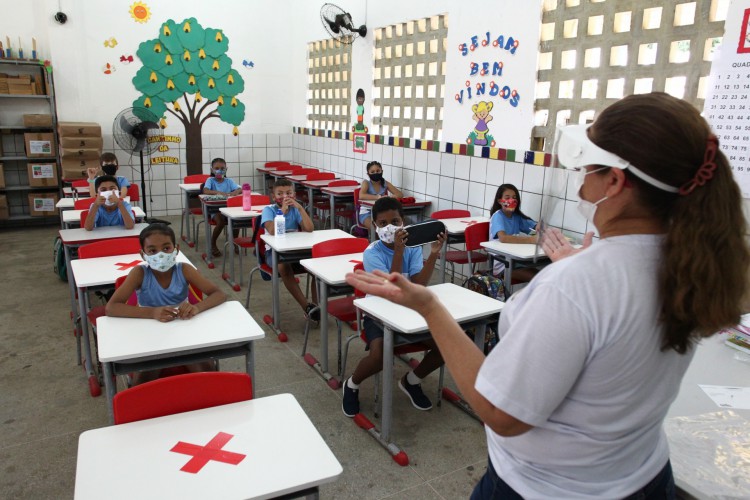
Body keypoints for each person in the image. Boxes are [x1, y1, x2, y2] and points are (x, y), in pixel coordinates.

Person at [346, 93, 750, 498]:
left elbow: (501, 413)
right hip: (642, 475)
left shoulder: (577, 284)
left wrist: (429, 306)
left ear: (615, 181)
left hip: (548, 488)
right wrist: (575, 266)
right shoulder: (693, 264)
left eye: (588, 169)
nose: (582, 182)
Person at [342, 197, 447, 417]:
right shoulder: (372, 253)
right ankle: (352, 384)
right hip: (378, 315)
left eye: (395, 221)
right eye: (382, 223)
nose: (389, 227)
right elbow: (391, 288)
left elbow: (419, 285)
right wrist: (398, 251)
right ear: (374, 225)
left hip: (409, 311)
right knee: (379, 356)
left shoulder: (413, 248)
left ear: (404, 222)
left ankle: (412, 380)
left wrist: (434, 253)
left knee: (446, 345)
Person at [106, 223, 227, 385]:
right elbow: (111, 307)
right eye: (152, 251)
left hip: (184, 331)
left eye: (166, 248)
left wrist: (196, 307)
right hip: (150, 335)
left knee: (207, 374)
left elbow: (219, 294)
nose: (160, 255)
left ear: (176, 249)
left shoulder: (184, 269)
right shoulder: (139, 273)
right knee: (146, 377)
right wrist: (152, 312)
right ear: (143, 254)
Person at [260, 178, 320, 322]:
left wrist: (300, 208)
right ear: (274, 197)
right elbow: (273, 231)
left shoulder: (296, 210)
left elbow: (310, 228)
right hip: (274, 252)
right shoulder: (269, 210)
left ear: (294, 194)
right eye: (280, 194)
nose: (285, 197)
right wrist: (282, 212)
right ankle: (307, 306)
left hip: (295, 251)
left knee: (317, 269)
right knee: (283, 267)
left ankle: (317, 307)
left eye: (288, 193)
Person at [488, 183, 539, 281]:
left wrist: (540, 226)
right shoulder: (497, 216)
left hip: (516, 261)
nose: (511, 200)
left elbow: (534, 226)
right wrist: (531, 240)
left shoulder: (516, 216)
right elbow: (503, 238)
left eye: (514, 197)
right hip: (502, 265)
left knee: (542, 275)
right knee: (538, 278)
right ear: (499, 201)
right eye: (507, 197)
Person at [202, 158, 242, 257]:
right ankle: (213, 243)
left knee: (237, 220)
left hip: (228, 209)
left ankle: (235, 241)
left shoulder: (229, 181)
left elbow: (239, 189)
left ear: (226, 169)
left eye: (222, 168)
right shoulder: (210, 180)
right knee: (220, 222)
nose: (219, 170)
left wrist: (235, 192)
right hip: (215, 210)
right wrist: (217, 192)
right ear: (212, 170)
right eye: (217, 168)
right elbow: (205, 190)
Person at [358, 161, 403, 230]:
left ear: (382, 171)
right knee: (376, 228)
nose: (375, 173)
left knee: (394, 226)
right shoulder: (366, 183)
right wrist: (378, 197)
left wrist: (388, 197)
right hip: (367, 213)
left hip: (381, 213)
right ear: (368, 174)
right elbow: (361, 195)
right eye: (372, 172)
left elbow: (399, 194)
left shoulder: (385, 183)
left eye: (378, 171)